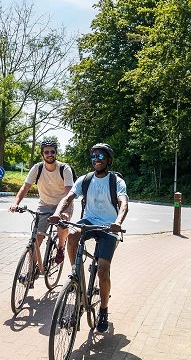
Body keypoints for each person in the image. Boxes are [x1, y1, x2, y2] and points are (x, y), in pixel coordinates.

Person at [50, 143, 128, 333]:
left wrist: (118, 221)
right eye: (94, 157)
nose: (96, 160)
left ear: (108, 160)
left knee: (102, 269)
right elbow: (68, 197)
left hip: (109, 226)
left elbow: (123, 202)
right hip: (89, 220)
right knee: (73, 233)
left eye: (101, 157)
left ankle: (103, 310)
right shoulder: (85, 180)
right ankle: (76, 273)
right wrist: (58, 213)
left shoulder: (115, 181)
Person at [10, 140, 74, 285]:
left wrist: (61, 212)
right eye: (46, 152)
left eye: (52, 151)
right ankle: (30, 273)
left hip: (63, 204)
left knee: (62, 224)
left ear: (56, 153)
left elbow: (68, 193)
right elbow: (24, 188)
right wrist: (16, 204)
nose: (50, 154)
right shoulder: (37, 169)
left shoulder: (64, 169)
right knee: (36, 240)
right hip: (44, 204)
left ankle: (60, 247)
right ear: (42, 154)